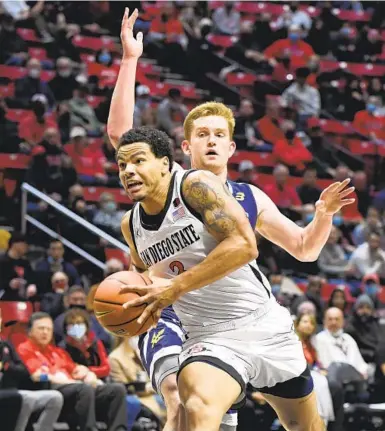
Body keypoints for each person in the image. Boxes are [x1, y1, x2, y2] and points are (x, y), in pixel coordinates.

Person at [108, 9, 354, 431]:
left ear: (233, 147)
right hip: (193, 324)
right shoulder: (164, 190)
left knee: (309, 426)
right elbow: (122, 138)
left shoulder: (247, 197)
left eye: (219, 134)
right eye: (202, 134)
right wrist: (130, 60)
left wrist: (321, 215)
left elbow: (304, 250)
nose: (211, 141)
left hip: (261, 322)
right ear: (184, 148)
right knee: (188, 406)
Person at [17, 312, 128, 431]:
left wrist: (88, 373)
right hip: (51, 388)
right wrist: (51, 377)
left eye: (48, 329)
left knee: (117, 389)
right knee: (84, 389)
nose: (45, 332)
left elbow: (75, 369)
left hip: (74, 387)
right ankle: (89, 428)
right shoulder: (24, 349)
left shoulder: (57, 351)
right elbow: (35, 376)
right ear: (30, 331)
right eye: (41, 328)